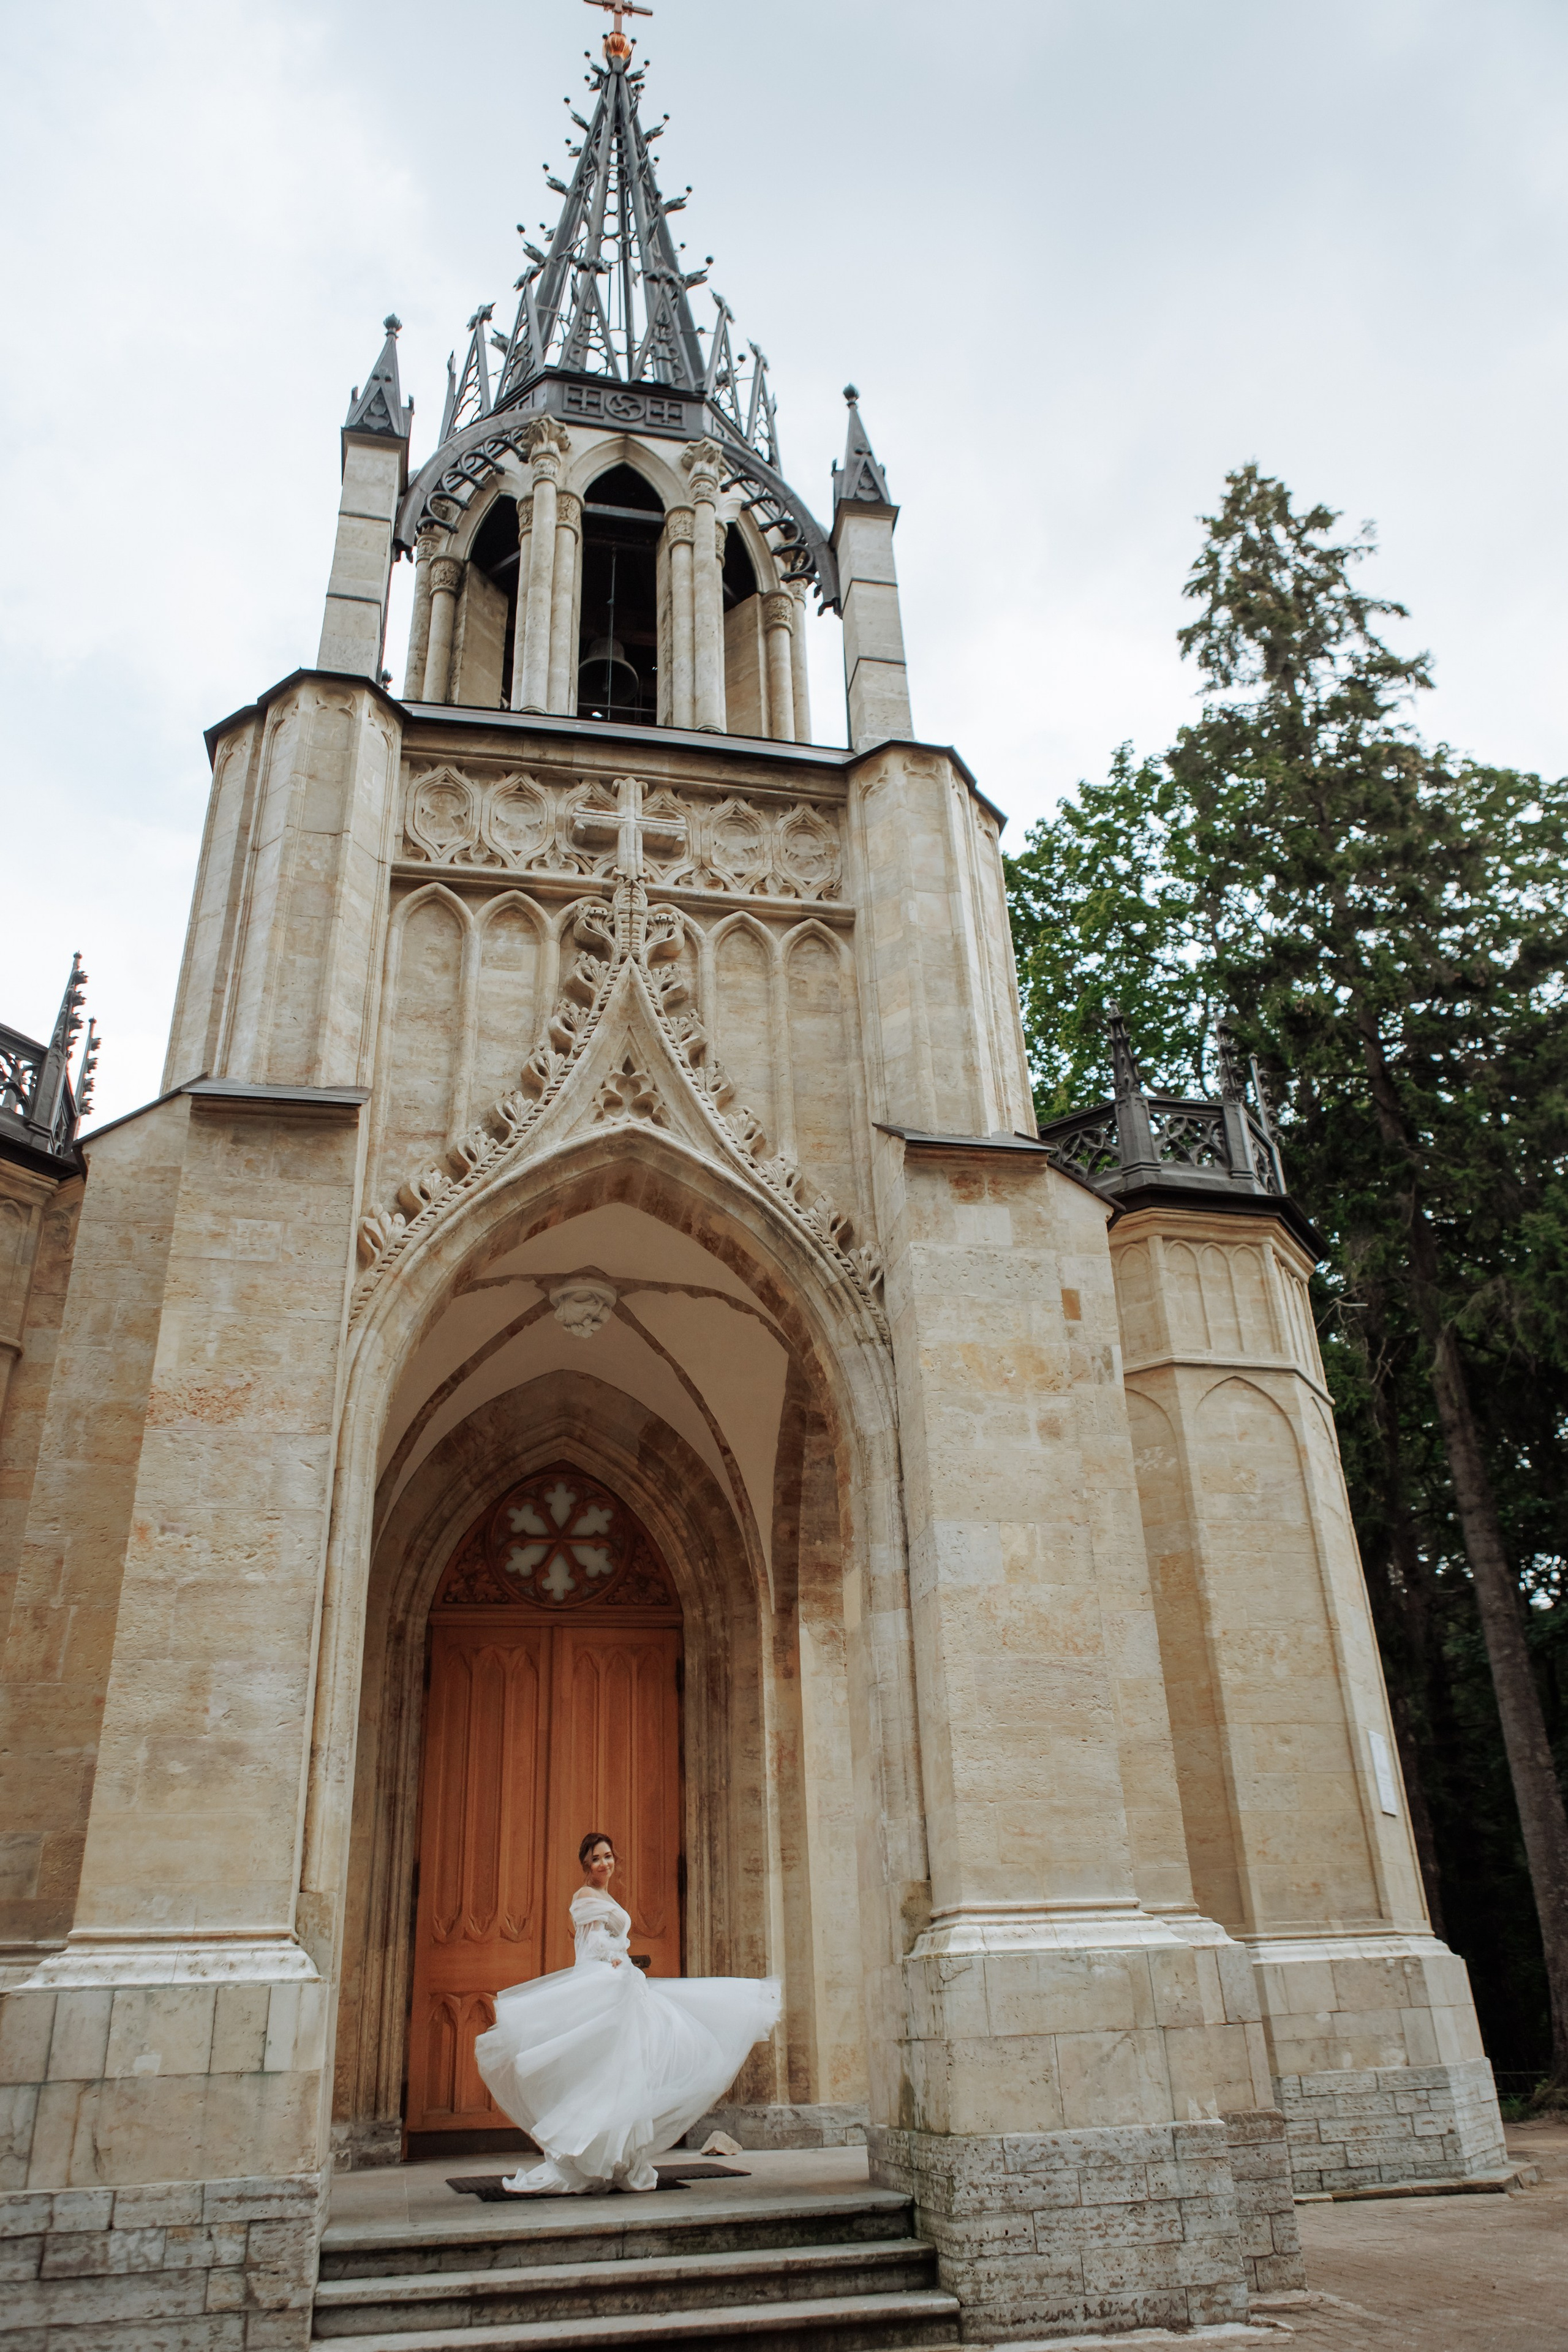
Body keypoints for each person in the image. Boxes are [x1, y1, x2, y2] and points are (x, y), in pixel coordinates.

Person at [475, 1830, 782, 2194]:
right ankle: (591, 2157)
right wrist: (614, 1959)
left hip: (621, 1982)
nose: (604, 1864)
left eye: (608, 1857)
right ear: (585, 1865)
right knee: (606, 2071)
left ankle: (618, 2160)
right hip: (604, 1984)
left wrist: (620, 1961)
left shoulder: (605, 1895)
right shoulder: (585, 1896)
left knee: (628, 2067)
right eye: (596, 1859)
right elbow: (589, 1945)